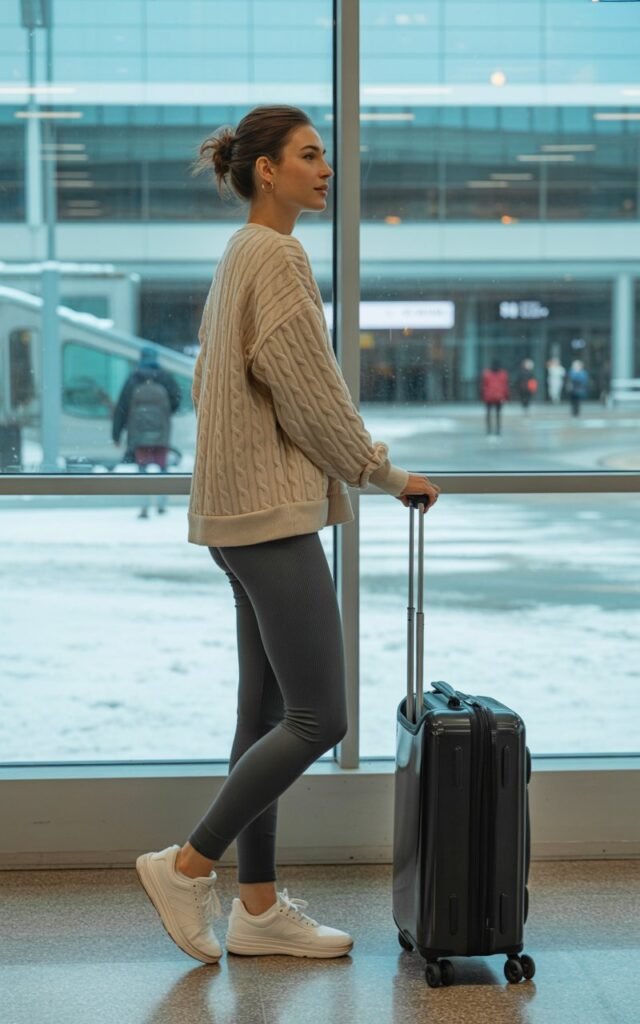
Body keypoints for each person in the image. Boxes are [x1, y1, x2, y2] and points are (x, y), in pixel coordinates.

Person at [134, 105, 440, 965]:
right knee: (320, 716)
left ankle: (259, 907)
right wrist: (385, 473)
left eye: (324, 155)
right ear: (266, 170)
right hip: (268, 516)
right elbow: (311, 392)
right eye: (309, 155)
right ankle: (188, 866)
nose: (325, 168)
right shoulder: (277, 255)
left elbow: (226, 380)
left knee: (265, 712)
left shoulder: (240, 252)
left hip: (235, 514)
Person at [112, 347, 181, 517]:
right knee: (162, 468)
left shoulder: (133, 379)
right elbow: (176, 400)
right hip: (161, 432)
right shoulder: (166, 378)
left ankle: (144, 506)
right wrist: (164, 414)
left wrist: (116, 434)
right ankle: (161, 504)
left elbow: (121, 408)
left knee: (142, 469)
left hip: (139, 433)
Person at [480, 357, 509, 437]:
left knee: (488, 413)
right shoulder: (503, 374)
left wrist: (482, 395)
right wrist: (506, 396)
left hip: (488, 396)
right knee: (498, 414)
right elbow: (505, 386)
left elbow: (483, 385)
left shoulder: (486, 373)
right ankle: (498, 429)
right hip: (499, 396)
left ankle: (489, 429)